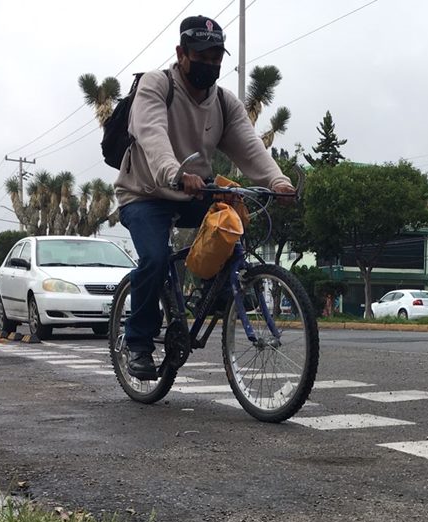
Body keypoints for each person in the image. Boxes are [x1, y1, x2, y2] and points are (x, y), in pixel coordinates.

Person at [114, 15, 295, 380]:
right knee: (154, 258)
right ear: (181, 53)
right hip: (145, 193)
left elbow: (249, 146)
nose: (210, 64)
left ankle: (214, 293)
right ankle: (137, 343)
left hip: (196, 189)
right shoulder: (156, 86)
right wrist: (176, 174)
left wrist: (277, 180)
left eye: (216, 58)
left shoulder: (224, 103)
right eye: (202, 55)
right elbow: (152, 135)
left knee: (232, 221)